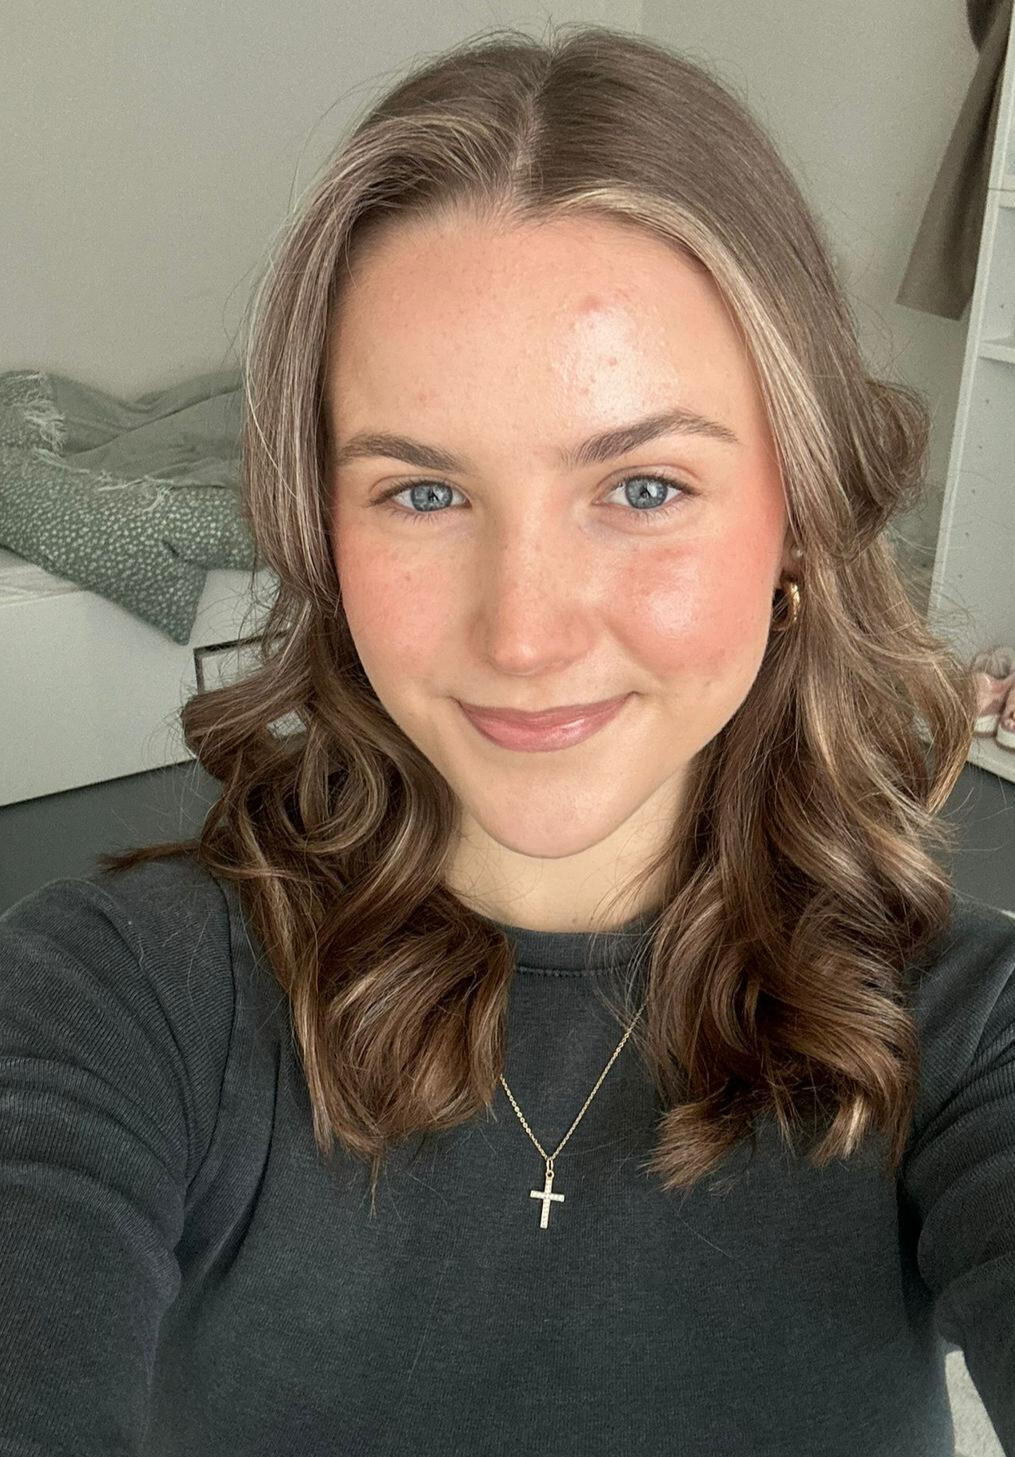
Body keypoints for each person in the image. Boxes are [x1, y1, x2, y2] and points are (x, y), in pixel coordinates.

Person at [1, 21, 1012, 1457]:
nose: (524, 634)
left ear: (796, 515)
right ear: (323, 530)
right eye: (422, 494)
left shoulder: (972, 1033)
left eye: (644, 486)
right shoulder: (113, 1001)